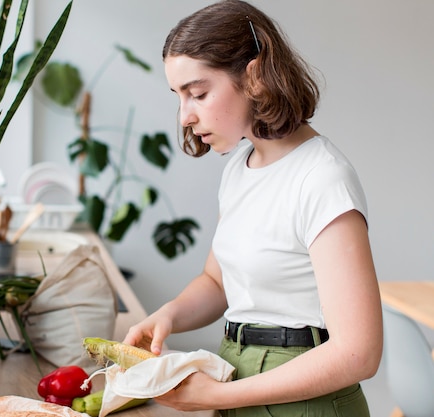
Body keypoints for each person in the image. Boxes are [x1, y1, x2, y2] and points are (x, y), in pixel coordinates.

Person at [122, 1, 383, 416]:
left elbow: (359, 353)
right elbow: (217, 281)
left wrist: (215, 397)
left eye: (199, 93)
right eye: (179, 96)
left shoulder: (322, 178)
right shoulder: (240, 171)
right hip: (240, 379)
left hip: (303, 401)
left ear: (256, 75)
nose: (185, 116)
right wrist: (168, 315)